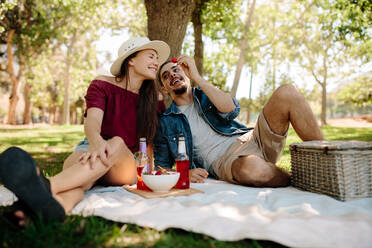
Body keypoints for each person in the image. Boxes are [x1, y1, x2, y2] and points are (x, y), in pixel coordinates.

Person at [0, 37, 170, 226]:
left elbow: (152, 143)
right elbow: (92, 122)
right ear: (131, 60)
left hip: (125, 162)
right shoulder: (102, 84)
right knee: (79, 183)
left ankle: (44, 186)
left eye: (157, 59)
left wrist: (151, 171)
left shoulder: (156, 98)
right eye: (151, 56)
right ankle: (38, 212)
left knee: (116, 142)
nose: (156, 62)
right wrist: (96, 143)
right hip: (91, 147)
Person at [154, 55, 324, 187]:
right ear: (164, 88)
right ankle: (298, 178)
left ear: (186, 72)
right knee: (254, 170)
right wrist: (184, 174)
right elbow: (160, 168)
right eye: (166, 76)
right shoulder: (166, 121)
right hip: (228, 161)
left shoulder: (205, 93)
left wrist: (197, 77)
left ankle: (331, 158)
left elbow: (231, 109)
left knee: (288, 92)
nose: (173, 75)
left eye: (176, 70)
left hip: (252, 138)